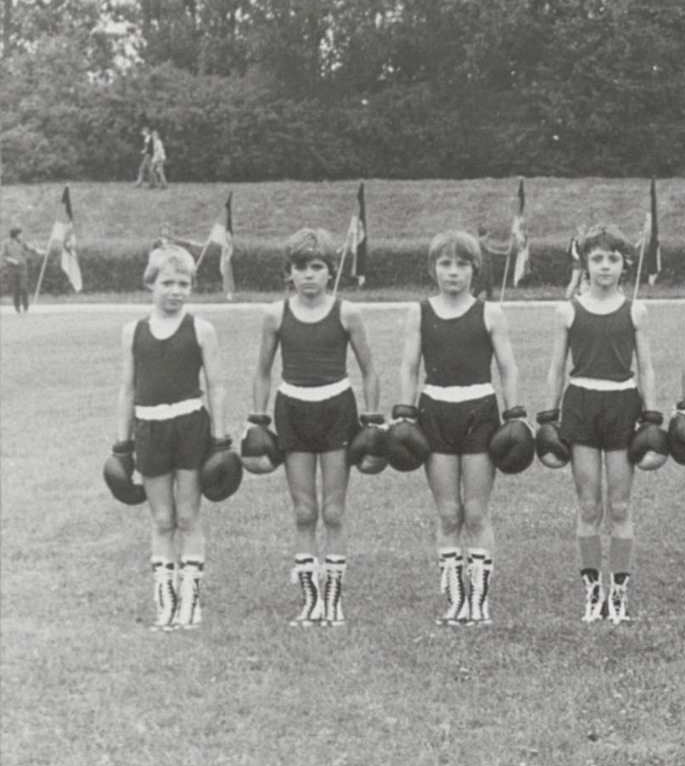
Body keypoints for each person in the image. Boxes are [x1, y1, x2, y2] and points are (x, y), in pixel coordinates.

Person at [247, 229, 380, 626]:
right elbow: (262, 371)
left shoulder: (346, 312)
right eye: (301, 267)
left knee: (334, 511)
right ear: (289, 272)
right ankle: (310, 600)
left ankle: (333, 599)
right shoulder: (275, 314)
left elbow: (370, 370)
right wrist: (257, 419)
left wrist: (373, 421)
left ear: (330, 271)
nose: (309, 275)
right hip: (293, 410)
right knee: (304, 512)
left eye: (317, 267)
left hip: (337, 409)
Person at [399, 231, 525, 626]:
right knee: (449, 513)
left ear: (475, 269)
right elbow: (409, 367)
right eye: (445, 264)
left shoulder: (489, 313)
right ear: (433, 268)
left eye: (462, 264)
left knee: (475, 512)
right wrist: (404, 414)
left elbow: (508, 367)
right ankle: (455, 600)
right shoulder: (420, 312)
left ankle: (479, 601)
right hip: (434, 412)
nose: (453, 272)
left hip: (479, 413)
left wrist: (515, 415)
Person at [546, 225, 658, 623]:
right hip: (581, 403)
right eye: (597, 258)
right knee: (589, 504)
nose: (605, 266)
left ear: (624, 264)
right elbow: (556, 367)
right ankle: (593, 591)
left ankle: (619, 592)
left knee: (621, 505)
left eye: (613, 258)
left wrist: (652, 416)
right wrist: (548, 416)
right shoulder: (568, 310)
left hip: (621, 404)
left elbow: (646, 367)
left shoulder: (635, 310)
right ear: (585, 263)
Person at [116, 246, 225, 628]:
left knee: (188, 515)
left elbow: (216, 386)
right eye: (168, 283)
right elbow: (127, 389)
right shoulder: (134, 331)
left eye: (184, 283)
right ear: (151, 283)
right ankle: (166, 596)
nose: (176, 290)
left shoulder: (201, 329)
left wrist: (220, 440)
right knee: (162, 519)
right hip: (149, 429)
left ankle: (191, 596)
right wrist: (122, 444)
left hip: (190, 426)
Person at [5, 227, 43, 313]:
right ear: (15, 235)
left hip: (22, 268)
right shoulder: (6, 244)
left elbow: (30, 248)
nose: (21, 236)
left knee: (23, 287)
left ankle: (26, 307)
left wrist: (38, 251)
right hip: (12, 269)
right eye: (20, 234)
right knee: (15, 289)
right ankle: (17, 308)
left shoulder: (22, 242)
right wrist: (11, 260)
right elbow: (3, 256)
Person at [564, 225, 587, 299]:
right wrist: (578, 258)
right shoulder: (575, 240)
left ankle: (581, 294)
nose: (583, 232)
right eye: (582, 230)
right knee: (575, 280)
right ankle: (568, 295)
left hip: (583, 262)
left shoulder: (584, 239)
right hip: (578, 262)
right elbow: (574, 252)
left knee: (584, 279)